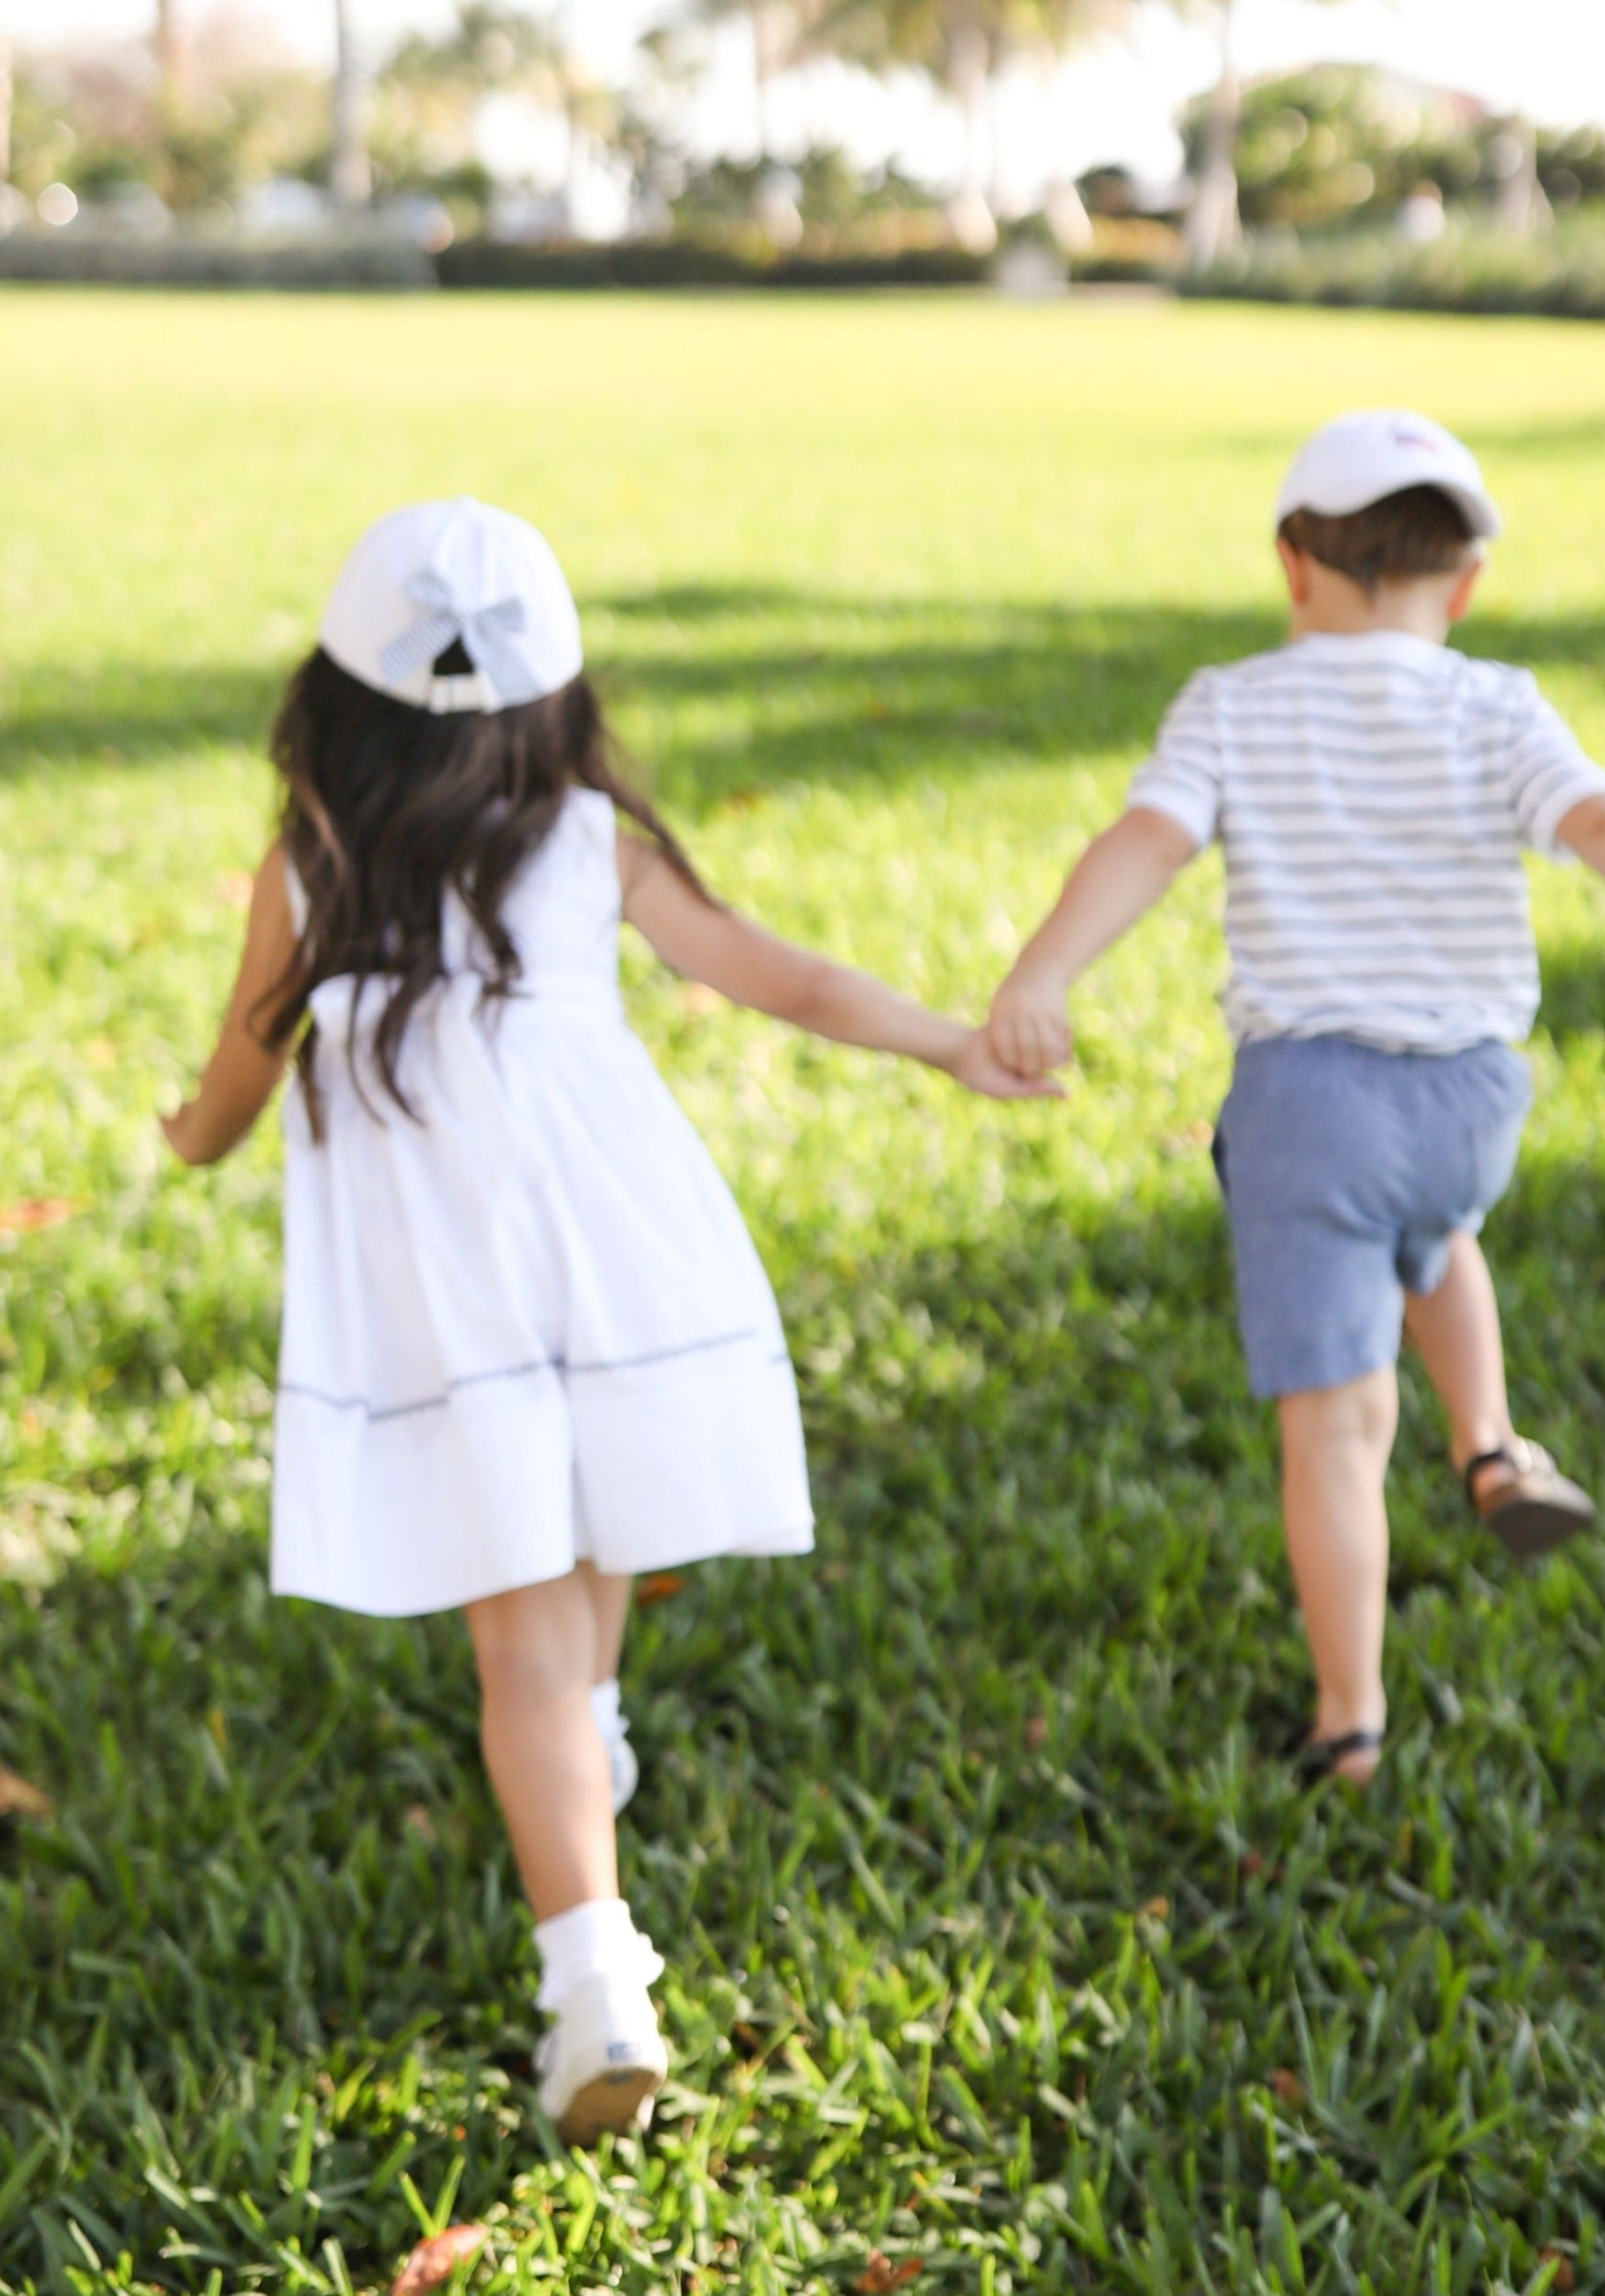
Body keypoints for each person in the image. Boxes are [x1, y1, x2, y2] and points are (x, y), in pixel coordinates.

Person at [161, 499, 1051, 2140]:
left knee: (526, 1649)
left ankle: (593, 1990)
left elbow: (239, 1064)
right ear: (558, 696)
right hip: (624, 1259)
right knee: (592, 1566)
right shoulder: (584, 840)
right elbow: (771, 974)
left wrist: (186, 1140)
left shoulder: (314, 865)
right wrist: (943, 1041)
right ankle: (593, 1747)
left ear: (336, 696)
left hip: (449, 1303)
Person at [982, 411, 1605, 1788]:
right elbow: (1599, 816)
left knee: (1338, 1426)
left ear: (1295, 565)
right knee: (1436, 1233)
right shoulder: (1497, 701)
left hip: (1314, 1104)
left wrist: (1043, 972)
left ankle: (1351, 1717)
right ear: (1462, 588)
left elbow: (1145, 841)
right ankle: (1495, 1447)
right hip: (1472, 1108)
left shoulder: (1234, 701)